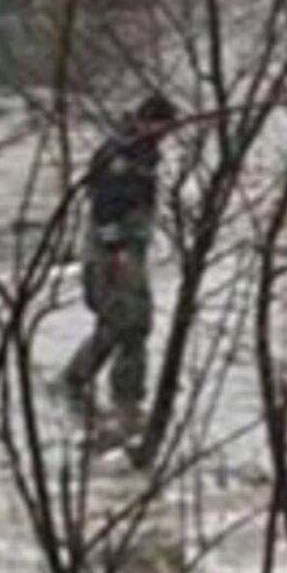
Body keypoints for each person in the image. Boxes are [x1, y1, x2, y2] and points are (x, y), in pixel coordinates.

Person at [61, 94, 182, 403]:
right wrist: (116, 250)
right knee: (123, 324)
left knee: (132, 323)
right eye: (161, 128)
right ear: (145, 121)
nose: (164, 137)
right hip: (113, 252)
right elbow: (104, 207)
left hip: (132, 250)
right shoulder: (120, 155)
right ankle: (113, 394)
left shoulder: (143, 152)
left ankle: (102, 391)